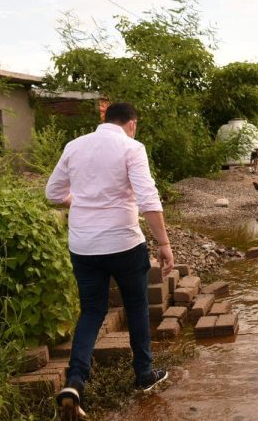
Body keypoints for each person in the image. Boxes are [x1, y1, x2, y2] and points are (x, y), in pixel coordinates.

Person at [45, 102, 175, 421]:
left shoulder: (74, 146)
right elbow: (147, 198)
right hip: (123, 243)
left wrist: (81, 201)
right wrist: (164, 242)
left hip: (84, 245)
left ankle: (75, 382)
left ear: (105, 119)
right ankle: (143, 374)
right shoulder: (131, 147)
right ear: (132, 123)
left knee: (92, 311)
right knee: (136, 305)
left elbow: (52, 193)